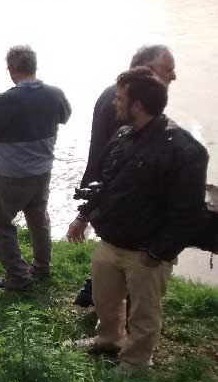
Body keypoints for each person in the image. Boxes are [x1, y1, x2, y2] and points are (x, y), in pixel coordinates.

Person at [72, 67, 208, 370]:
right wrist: (84, 216)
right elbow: (106, 181)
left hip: (147, 252)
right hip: (111, 242)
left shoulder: (185, 151)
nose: (114, 103)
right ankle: (108, 339)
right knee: (105, 302)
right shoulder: (123, 135)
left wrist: (159, 252)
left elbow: (187, 213)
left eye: (120, 98)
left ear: (137, 105)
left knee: (144, 314)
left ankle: (135, 362)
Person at [67, 44, 177, 306]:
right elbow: (116, 168)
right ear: (148, 71)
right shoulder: (128, 109)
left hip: (111, 197)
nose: (173, 77)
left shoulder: (116, 96)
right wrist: (84, 213)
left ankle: (97, 293)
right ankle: (107, 303)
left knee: (114, 251)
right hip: (121, 204)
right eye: (168, 70)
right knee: (122, 253)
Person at [0, 45, 72, 290]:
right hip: (42, 171)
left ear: (11, 69)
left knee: (1, 224)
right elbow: (65, 116)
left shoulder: (8, 100)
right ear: (34, 66)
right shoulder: (55, 94)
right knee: (39, 218)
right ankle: (42, 267)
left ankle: (18, 276)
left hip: (10, 174)